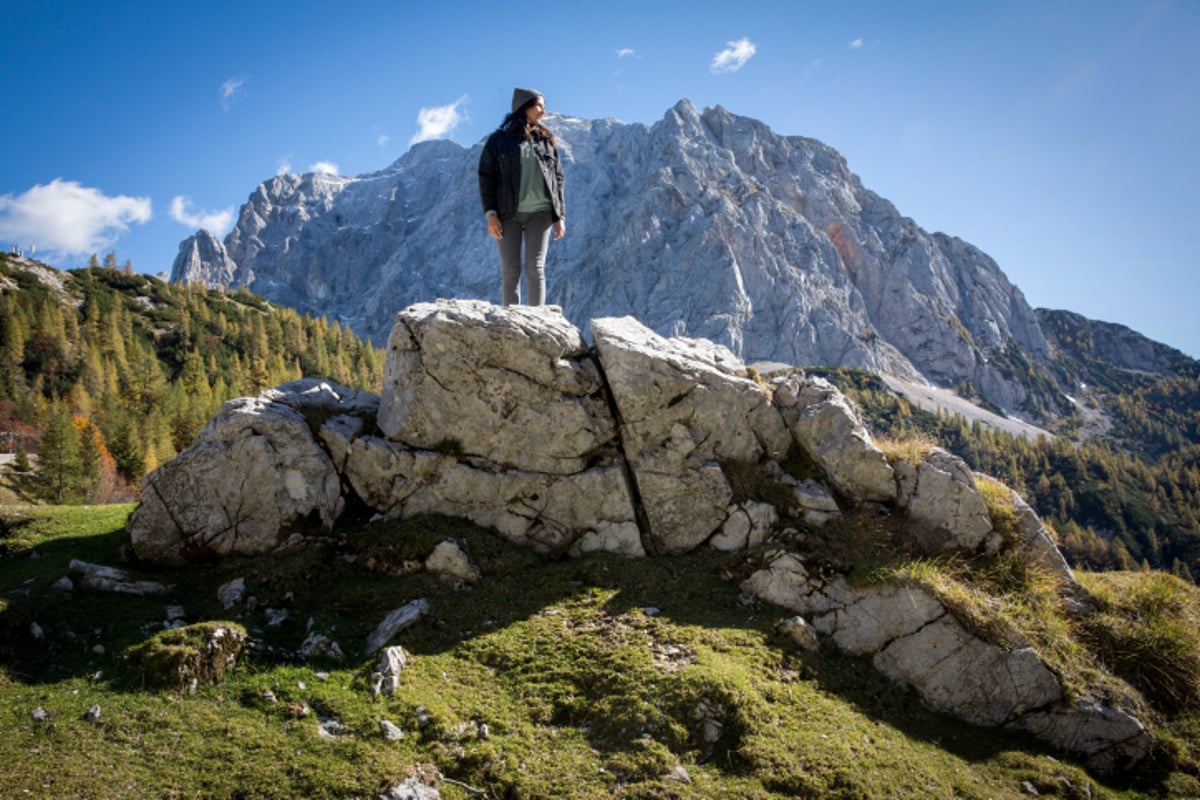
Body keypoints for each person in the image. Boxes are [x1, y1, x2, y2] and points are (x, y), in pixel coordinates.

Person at [478, 87, 566, 306]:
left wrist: (559, 216)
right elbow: (486, 178)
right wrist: (490, 214)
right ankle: (512, 326)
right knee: (511, 271)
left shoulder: (546, 141)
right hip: (509, 213)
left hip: (541, 212)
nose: (543, 112)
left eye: (544, 107)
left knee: (535, 269)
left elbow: (558, 179)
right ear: (524, 107)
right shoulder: (498, 141)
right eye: (539, 106)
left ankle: (536, 323)